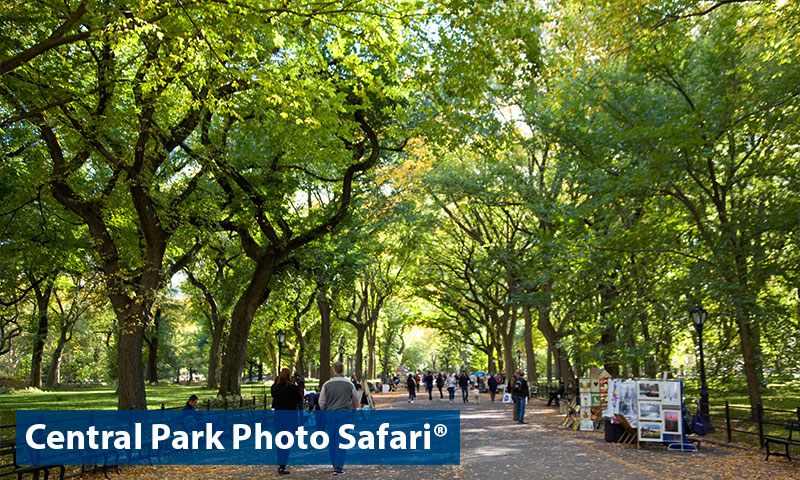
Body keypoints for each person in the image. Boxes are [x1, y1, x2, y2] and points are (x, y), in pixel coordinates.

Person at [319, 362, 359, 476]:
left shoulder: (327, 384)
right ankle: (339, 466)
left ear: (334, 371)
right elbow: (355, 400)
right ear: (343, 370)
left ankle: (334, 463)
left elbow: (322, 401)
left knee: (332, 439)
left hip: (331, 414)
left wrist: (326, 411)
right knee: (342, 439)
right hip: (344, 413)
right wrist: (352, 410)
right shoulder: (349, 384)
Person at [271, 368, 303, 475]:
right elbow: (299, 399)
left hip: (279, 418)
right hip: (290, 418)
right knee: (287, 442)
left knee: (280, 441)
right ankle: (282, 465)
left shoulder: (275, 388)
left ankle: (281, 463)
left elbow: (273, 397)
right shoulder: (293, 388)